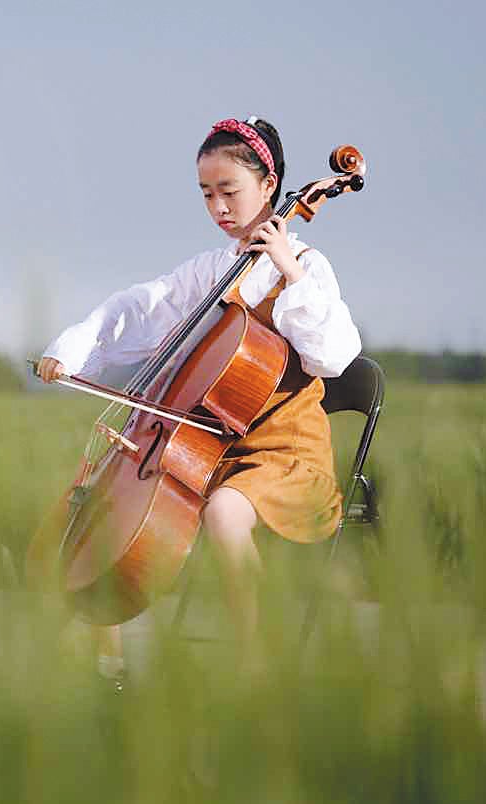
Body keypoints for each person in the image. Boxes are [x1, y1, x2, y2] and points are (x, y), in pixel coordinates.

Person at [36, 117, 361, 678]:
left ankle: (258, 660)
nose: (219, 208)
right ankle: (98, 663)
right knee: (108, 511)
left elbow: (334, 356)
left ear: (269, 184)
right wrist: (75, 346)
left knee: (227, 512)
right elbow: (143, 305)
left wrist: (286, 268)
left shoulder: (306, 267)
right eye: (207, 194)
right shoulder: (213, 269)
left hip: (287, 458)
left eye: (229, 191)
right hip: (215, 450)